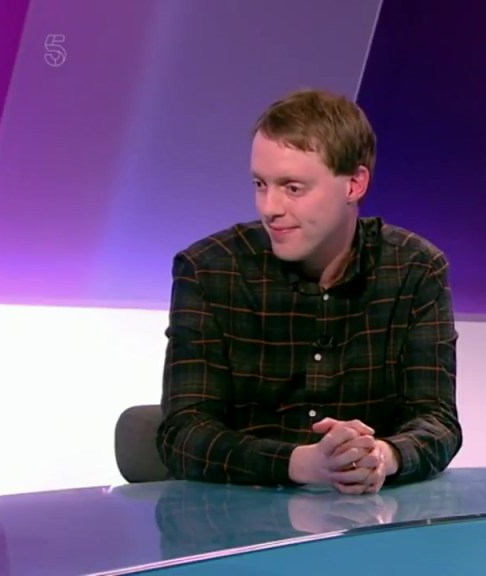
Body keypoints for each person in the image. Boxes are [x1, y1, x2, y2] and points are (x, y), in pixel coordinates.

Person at [156, 88, 462, 493]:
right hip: (238, 527)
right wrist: (302, 463)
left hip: (372, 528)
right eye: (260, 184)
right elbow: (182, 432)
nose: (270, 207)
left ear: (354, 184)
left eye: (292, 188)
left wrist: (380, 457)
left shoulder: (414, 271)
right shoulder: (209, 271)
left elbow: (437, 419)